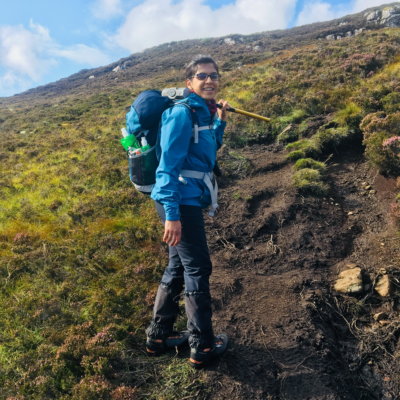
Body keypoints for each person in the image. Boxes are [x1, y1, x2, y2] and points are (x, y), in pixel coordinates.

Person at [145, 55, 230, 368]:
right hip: (179, 200)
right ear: (189, 82)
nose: (209, 81)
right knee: (197, 269)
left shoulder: (203, 113)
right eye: (202, 76)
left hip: (183, 197)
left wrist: (220, 120)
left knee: (178, 267)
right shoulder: (182, 115)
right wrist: (172, 214)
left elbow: (206, 153)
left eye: (213, 75)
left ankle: (158, 337)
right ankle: (202, 346)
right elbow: (167, 168)